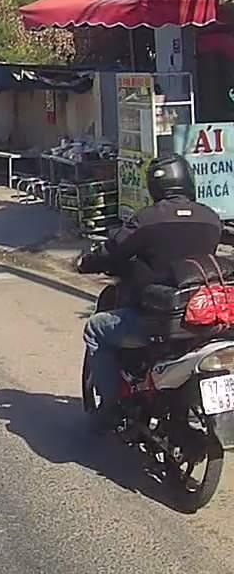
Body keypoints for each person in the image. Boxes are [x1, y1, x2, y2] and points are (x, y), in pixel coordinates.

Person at [77, 154, 222, 430]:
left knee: (96, 329)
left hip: (160, 321)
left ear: (155, 187)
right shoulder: (211, 219)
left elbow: (113, 250)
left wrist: (86, 262)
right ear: (187, 180)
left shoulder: (147, 219)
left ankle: (110, 407)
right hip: (204, 317)